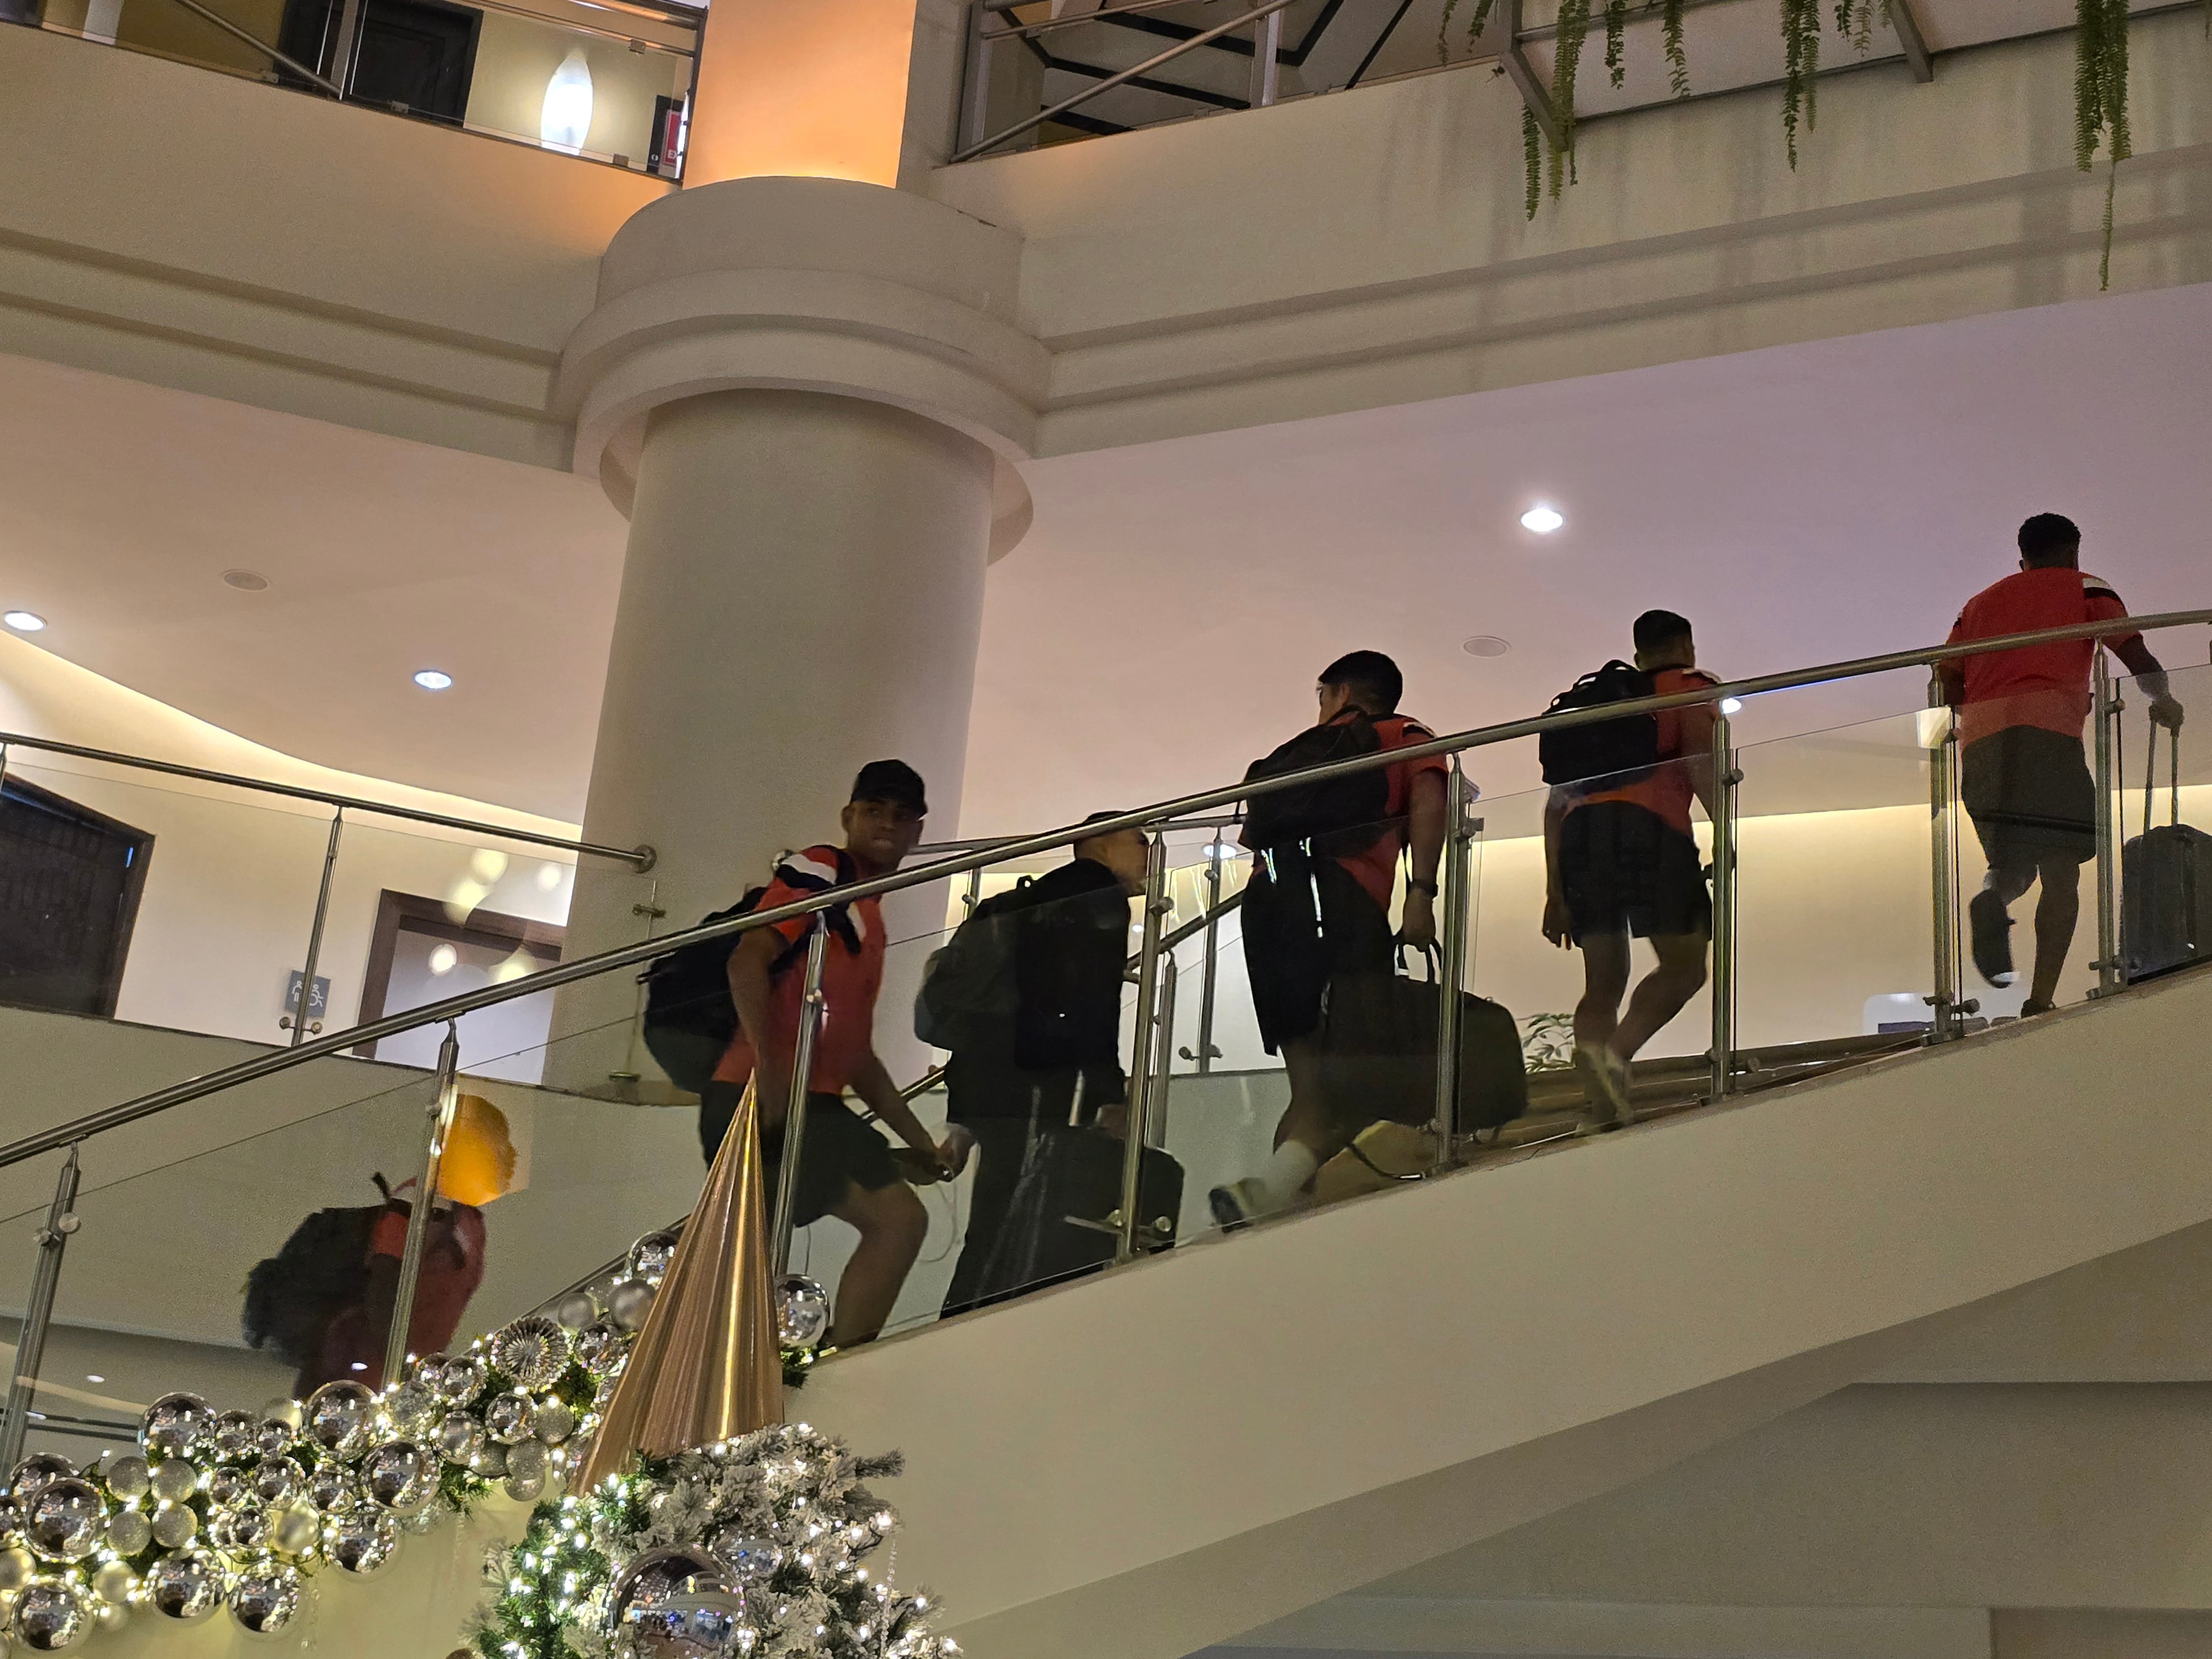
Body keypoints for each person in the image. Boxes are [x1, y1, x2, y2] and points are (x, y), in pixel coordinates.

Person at [699, 760, 972, 1348]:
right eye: (874, 811)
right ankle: (836, 1368)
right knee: (893, 1222)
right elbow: (746, 958)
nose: (886, 826)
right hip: (763, 1095)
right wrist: (770, 1071)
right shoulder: (823, 868)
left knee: (755, 1256)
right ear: (849, 817)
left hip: (810, 1102)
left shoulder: (869, 916)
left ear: (918, 832)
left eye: (901, 817)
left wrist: (921, 1143)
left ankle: (809, 1369)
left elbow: (853, 1057)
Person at [1210, 650, 1448, 1225]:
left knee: (1308, 1080)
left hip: (1266, 901)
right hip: (1337, 900)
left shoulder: (1306, 753)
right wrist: (1421, 891)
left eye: (1322, 694)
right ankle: (1264, 1197)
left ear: (1341, 693)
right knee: (1346, 1081)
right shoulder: (1406, 736)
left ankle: (1277, 1208)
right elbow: (1429, 802)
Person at [1940, 513, 2184, 1014]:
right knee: (2060, 871)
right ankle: (2040, 1000)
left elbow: (1948, 678)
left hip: (1982, 746)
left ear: (2022, 560)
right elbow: (2134, 653)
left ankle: (1994, 901)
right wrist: (2163, 699)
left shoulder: (1977, 606)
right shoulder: (2086, 587)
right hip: (2048, 739)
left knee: (2009, 866)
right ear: (2074, 552)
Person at [935, 813, 1149, 1318]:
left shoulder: (1033, 900)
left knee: (994, 1217)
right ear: (1097, 845)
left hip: (991, 1080)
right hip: (1032, 1077)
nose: (1150, 852)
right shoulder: (1095, 897)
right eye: (1140, 838)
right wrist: (1109, 1091)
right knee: (1020, 1215)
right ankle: (979, 1327)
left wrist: (963, 1113)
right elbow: (1093, 1000)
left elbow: (980, 1015)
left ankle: (961, 1324)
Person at [1542, 611, 1721, 1128]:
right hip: (1650, 832)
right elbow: (1700, 760)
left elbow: (1555, 807)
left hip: (1581, 840)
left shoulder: (1595, 707)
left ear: (1638, 655)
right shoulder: (1687, 687)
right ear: (1687, 645)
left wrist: (1555, 891)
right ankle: (1614, 1057)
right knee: (1685, 966)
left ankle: (1600, 1107)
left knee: (1602, 985)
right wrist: (1726, 832)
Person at [244, 1094, 515, 1393]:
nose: (509, 1159)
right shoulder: (415, 1206)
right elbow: (383, 1284)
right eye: (497, 1147)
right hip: (362, 1373)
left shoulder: (469, 1219)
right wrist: (402, 1366)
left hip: (403, 1371)